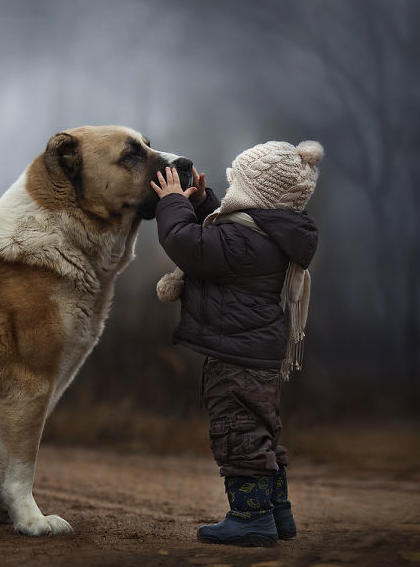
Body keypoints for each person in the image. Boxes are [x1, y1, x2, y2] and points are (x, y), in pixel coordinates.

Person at [150, 140, 323, 546]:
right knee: (261, 431)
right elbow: (219, 233)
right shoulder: (265, 234)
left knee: (238, 433)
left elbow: (186, 242)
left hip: (236, 357)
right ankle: (277, 513)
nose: (229, 192)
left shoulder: (244, 243)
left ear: (255, 193)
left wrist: (172, 203)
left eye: (235, 184)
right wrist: (200, 202)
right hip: (256, 354)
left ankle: (250, 519)